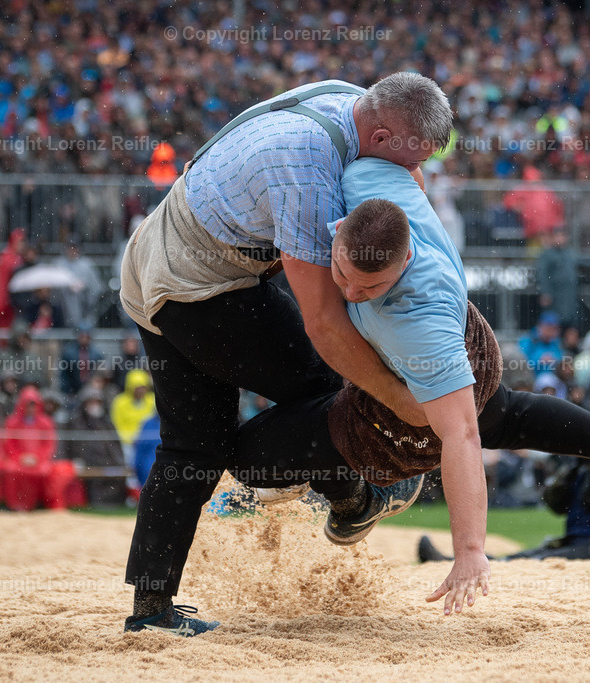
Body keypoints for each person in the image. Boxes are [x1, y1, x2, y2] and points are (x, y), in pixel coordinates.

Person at [235, 159, 590, 617]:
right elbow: (408, 168)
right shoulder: (371, 183)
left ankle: (367, 497)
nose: (352, 293)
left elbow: (461, 435)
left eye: (370, 287)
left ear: (405, 261)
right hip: (467, 344)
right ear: (341, 229)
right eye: (343, 275)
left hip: (413, 405)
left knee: (250, 458)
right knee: (509, 416)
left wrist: (470, 551)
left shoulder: (418, 322)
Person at [119, 73, 454, 638]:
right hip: (202, 285)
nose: (413, 173)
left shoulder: (346, 98)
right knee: (332, 381)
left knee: (192, 446)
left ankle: (151, 609)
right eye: (412, 160)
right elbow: (324, 324)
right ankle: (352, 498)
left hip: (151, 261)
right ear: (380, 135)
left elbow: (404, 184)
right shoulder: (307, 171)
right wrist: (398, 399)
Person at [418, 458, 590, 563]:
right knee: (526, 557)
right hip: (580, 544)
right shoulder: (580, 472)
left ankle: (465, 564)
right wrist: (572, 469)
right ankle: (455, 562)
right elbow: (553, 503)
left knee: (538, 561)